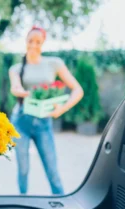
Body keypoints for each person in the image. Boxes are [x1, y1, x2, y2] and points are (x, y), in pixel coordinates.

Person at [9, 26, 84, 195]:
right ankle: (22, 203)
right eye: (30, 41)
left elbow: (78, 90)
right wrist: (21, 92)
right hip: (20, 121)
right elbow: (15, 87)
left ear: (43, 43)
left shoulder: (54, 63)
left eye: (38, 42)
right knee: (23, 170)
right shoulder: (16, 68)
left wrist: (62, 109)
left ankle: (60, 203)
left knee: (52, 170)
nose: (34, 45)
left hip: (44, 122)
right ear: (25, 41)